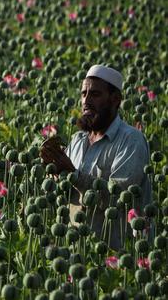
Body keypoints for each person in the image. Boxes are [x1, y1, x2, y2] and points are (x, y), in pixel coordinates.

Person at [41, 65, 151, 250]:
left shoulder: (131, 140)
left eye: (95, 94)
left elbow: (119, 199)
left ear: (115, 99)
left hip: (116, 257)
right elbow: (63, 191)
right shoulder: (77, 141)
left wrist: (72, 174)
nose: (86, 101)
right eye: (84, 94)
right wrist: (51, 173)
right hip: (75, 251)